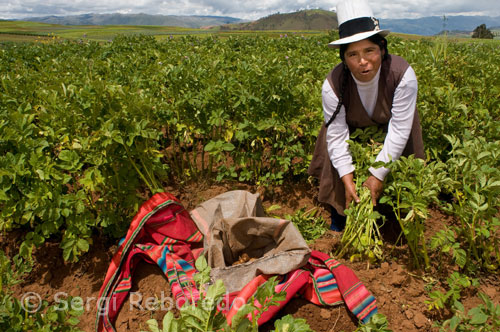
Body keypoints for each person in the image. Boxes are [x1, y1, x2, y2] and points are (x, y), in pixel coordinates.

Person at [308, 0, 425, 231]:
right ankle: (340, 216)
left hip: (391, 130)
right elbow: (337, 134)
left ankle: (396, 220)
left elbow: (400, 130)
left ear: (382, 48)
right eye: (353, 54)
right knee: (336, 158)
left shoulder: (402, 74)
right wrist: (346, 176)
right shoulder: (333, 84)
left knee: (403, 158)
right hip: (349, 132)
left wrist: (377, 174)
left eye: (369, 50)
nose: (362, 61)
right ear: (343, 58)